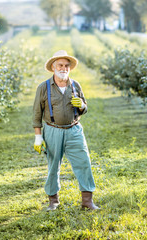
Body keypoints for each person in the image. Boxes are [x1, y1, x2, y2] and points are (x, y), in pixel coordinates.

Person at [32, 50, 100, 211]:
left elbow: (85, 107)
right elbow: (37, 113)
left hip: (74, 129)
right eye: (60, 65)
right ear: (54, 67)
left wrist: (82, 106)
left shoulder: (75, 85)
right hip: (53, 130)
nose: (63, 68)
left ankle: (87, 201)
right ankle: (53, 201)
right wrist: (38, 137)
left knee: (84, 162)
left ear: (70, 68)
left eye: (66, 65)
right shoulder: (44, 87)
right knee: (53, 165)